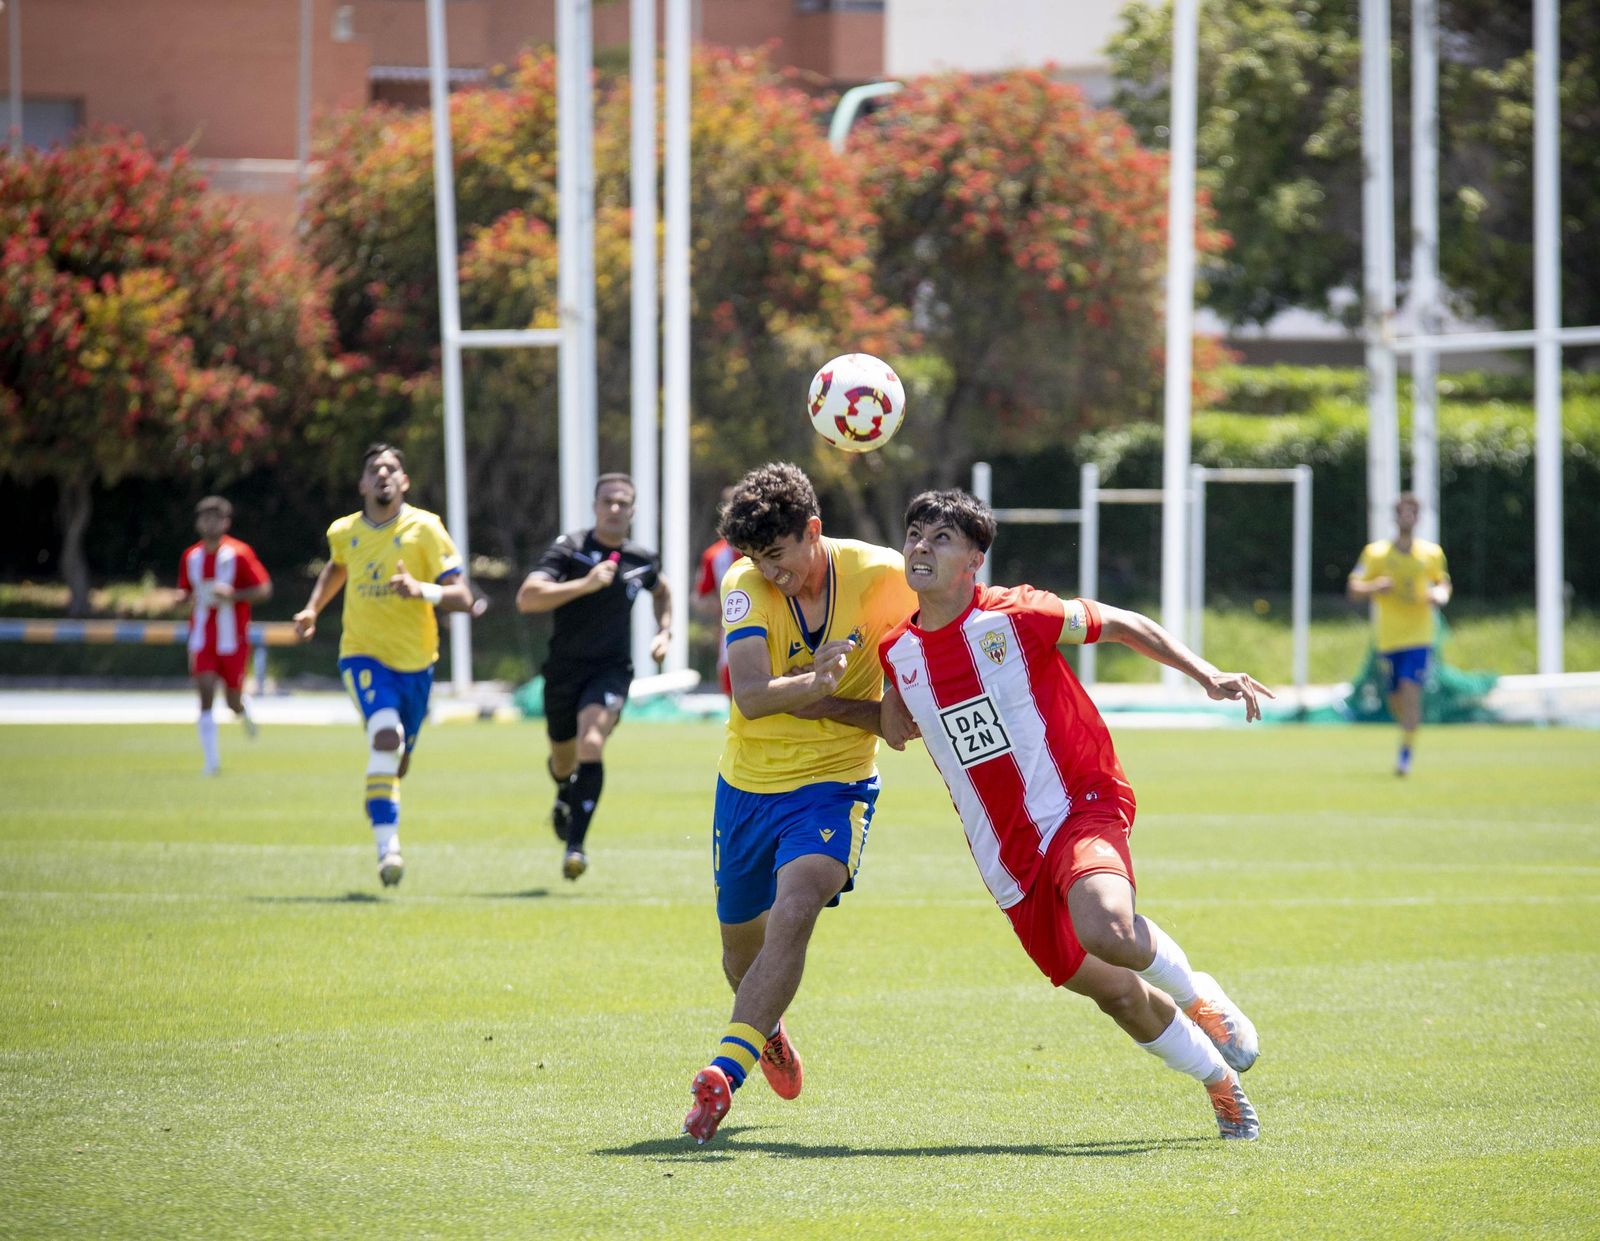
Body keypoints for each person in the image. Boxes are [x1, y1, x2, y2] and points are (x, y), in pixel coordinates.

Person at [876, 489, 1269, 1141]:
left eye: (941, 537)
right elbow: (896, 729)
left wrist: (1205, 673)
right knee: (1115, 993)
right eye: (915, 533)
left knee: (1108, 926)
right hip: (1007, 857)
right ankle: (1219, 1083)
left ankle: (1200, 997)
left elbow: (1118, 622)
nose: (920, 545)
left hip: (1078, 802)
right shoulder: (898, 652)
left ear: (975, 558)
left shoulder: (1017, 613)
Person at [681, 462, 918, 1145]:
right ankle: (768, 1027)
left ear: (813, 530)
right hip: (747, 788)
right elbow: (751, 695)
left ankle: (723, 1072)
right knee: (741, 959)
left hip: (835, 783)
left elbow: (933, 638)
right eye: (757, 561)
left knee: (797, 905)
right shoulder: (742, 584)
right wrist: (840, 696)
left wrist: (901, 707)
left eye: (779, 557)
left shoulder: (883, 575)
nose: (771, 574)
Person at [292, 444, 474, 888]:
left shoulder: (426, 529)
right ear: (363, 484)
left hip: (417, 661)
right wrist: (313, 609)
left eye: (392, 469)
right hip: (362, 655)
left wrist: (421, 590)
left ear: (404, 481)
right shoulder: (344, 531)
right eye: (374, 469)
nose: (383, 475)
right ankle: (387, 849)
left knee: (397, 758)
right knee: (385, 736)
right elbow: (337, 568)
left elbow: (463, 597)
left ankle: (380, 798)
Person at [516, 473, 672, 882]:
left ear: (633, 511)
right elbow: (527, 598)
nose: (615, 509)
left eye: (623, 503)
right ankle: (566, 793)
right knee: (563, 759)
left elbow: (663, 592)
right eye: (608, 502)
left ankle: (576, 847)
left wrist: (664, 631)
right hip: (564, 671)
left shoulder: (642, 559)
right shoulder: (570, 550)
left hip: (611, 671)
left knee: (591, 741)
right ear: (595, 506)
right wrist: (584, 584)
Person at [1347, 493, 1452, 776]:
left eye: (1412, 513)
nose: (1407, 518)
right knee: (1395, 698)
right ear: (1395, 518)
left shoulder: (1431, 554)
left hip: (1419, 637)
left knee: (1410, 690)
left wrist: (1438, 595)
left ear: (1418, 518)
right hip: (1389, 638)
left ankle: (1405, 755)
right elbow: (1354, 587)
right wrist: (1375, 586)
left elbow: (1442, 584)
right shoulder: (1376, 554)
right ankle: (1406, 732)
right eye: (1403, 513)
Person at [177, 496, 272, 776]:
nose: (210, 523)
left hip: (232, 638)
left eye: (216, 517)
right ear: (198, 522)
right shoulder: (191, 556)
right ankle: (211, 762)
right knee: (205, 692)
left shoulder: (239, 553)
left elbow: (264, 589)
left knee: (232, 702)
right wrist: (179, 599)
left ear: (226, 522)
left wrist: (234, 595)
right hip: (202, 637)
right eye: (205, 517)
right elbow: (186, 591)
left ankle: (243, 708)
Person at [693, 488, 740, 696]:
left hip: (777, 631)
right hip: (731, 637)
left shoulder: (774, 549)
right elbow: (699, 599)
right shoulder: (715, 555)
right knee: (736, 698)